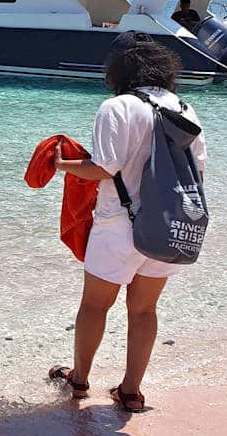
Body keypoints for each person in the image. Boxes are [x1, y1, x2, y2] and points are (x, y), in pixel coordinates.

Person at [48, 31, 207, 413]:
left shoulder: (117, 106)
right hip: (168, 224)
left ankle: (81, 380)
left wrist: (61, 164)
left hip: (119, 225)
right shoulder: (184, 108)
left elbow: (103, 168)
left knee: (95, 306)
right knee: (144, 310)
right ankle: (131, 391)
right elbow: (198, 170)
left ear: (117, 68)